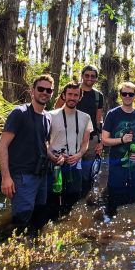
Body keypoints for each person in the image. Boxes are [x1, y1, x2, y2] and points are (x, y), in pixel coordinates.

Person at [0, 74, 57, 233]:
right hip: (22, 176)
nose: (45, 92)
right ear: (32, 91)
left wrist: (54, 157)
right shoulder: (20, 113)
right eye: (41, 89)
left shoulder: (47, 117)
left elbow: (43, 144)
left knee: (38, 215)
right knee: (21, 219)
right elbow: (2, 145)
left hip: (41, 175)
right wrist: (6, 177)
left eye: (49, 90)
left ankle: (32, 251)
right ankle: (13, 250)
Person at [45, 81, 93, 217]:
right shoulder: (50, 115)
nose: (72, 98)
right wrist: (51, 155)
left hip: (74, 164)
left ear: (80, 97)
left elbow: (85, 143)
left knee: (71, 203)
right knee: (52, 203)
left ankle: (68, 231)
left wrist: (79, 155)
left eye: (75, 95)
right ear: (64, 96)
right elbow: (44, 141)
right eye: (70, 94)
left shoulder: (85, 117)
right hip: (55, 164)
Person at [101, 81, 135, 214]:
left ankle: (134, 222)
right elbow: (104, 140)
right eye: (124, 93)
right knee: (114, 195)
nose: (127, 96)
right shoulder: (112, 114)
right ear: (120, 95)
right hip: (117, 162)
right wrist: (121, 140)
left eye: (131, 94)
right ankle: (112, 223)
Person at [67, 65, 106, 194]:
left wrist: (100, 141)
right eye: (87, 75)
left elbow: (98, 120)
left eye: (93, 76)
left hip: (91, 139)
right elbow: (58, 110)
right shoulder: (73, 90)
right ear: (82, 75)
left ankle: (85, 199)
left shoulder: (98, 96)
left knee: (88, 174)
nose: (90, 78)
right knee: (70, 172)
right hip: (71, 138)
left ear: (96, 79)